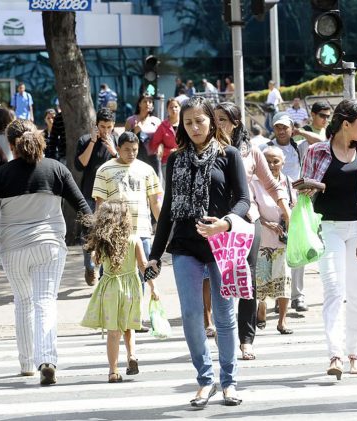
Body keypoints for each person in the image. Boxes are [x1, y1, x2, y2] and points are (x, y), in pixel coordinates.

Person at [147, 96, 250, 407]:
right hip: (185, 246)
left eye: (200, 121)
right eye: (188, 122)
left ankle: (229, 381)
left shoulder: (229, 155)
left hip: (222, 244)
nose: (194, 127)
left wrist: (226, 223)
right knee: (192, 316)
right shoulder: (176, 159)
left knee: (224, 315)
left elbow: (243, 200)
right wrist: (155, 255)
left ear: (212, 122)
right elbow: (167, 210)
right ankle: (205, 380)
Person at [0, 120, 91, 385]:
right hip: (49, 246)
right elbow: (83, 208)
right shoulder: (56, 169)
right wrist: (97, 242)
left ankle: (27, 363)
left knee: (23, 302)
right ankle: (47, 360)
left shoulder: (0, 175)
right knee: (45, 301)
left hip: (13, 249)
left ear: (11, 145)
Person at [214, 101, 290, 361]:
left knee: (248, 278)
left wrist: (285, 209)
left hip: (248, 219)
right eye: (215, 119)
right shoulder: (207, 150)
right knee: (221, 278)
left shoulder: (251, 152)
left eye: (223, 119)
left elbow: (271, 184)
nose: (217, 124)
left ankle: (246, 339)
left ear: (235, 123)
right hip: (217, 222)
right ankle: (224, 331)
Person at [301, 99, 357, 380]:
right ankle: (335, 354)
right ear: (346, 124)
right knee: (333, 290)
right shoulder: (317, 151)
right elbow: (303, 190)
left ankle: (355, 353)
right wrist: (309, 188)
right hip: (328, 227)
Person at [81, 200, 158, 382]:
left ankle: (113, 371)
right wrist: (153, 287)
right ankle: (132, 356)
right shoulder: (134, 239)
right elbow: (143, 266)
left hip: (110, 288)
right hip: (131, 289)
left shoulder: (103, 242)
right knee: (129, 325)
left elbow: (96, 261)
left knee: (113, 332)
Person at [92, 131, 162, 259]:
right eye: (127, 150)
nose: (131, 153)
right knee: (111, 269)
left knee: (144, 268)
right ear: (118, 149)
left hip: (141, 231)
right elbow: (100, 204)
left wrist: (164, 228)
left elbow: (155, 202)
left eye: (135, 150)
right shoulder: (104, 170)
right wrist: (98, 233)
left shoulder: (147, 170)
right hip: (114, 231)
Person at [263, 113, 307, 313]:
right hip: (270, 205)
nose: (281, 131)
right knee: (274, 253)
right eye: (277, 127)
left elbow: (321, 140)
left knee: (297, 251)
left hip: (294, 204)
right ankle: (278, 297)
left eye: (285, 127)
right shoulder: (265, 148)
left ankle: (297, 296)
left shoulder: (299, 146)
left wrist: (300, 131)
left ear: (291, 128)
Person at [254, 146, 297, 336]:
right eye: (267, 161)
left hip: (283, 241)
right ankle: (262, 307)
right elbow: (251, 209)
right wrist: (267, 223)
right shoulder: (254, 182)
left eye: (275, 161)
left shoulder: (289, 183)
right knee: (261, 280)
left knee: (284, 280)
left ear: (283, 162)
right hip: (262, 240)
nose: (271, 165)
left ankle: (282, 321)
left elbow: (294, 208)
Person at [75, 108, 119, 286]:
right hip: (89, 193)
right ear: (96, 125)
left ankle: (104, 272)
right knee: (88, 233)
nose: (106, 131)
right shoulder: (85, 140)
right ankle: (89, 266)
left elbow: (124, 164)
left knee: (109, 233)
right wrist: (93, 141)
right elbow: (80, 165)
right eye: (102, 127)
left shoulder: (116, 140)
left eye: (109, 127)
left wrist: (114, 151)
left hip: (111, 195)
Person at [125, 94, 162, 177]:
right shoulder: (131, 120)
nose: (148, 104)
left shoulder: (157, 121)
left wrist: (161, 146)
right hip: (137, 157)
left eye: (150, 102)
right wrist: (134, 131)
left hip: (153, 157)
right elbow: (124, 141)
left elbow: (161, 139)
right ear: (139, 104)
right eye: (145, 101)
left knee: (153, 181)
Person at [151, 98, 180, 181]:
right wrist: (168, 151)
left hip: (184, 161)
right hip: (167, 162)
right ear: (167, 109)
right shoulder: (162, 126)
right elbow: (154, 145)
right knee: (170, 186)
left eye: (176, 106)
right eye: (171, 107)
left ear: (180, 108)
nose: (174, 109)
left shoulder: (185, 124)